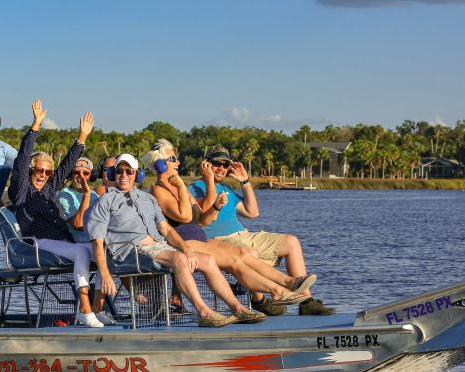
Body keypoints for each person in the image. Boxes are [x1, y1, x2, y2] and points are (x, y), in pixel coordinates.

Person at [86, 153, 266, 327]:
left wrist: (185, 248)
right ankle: (204, 312)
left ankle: (237, 308)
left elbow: (166, 229)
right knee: (179, 259)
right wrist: (105, 273)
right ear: (112, 173)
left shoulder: (148, 198)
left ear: (137, 175)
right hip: (129, 253)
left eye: (129, 171)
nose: (123, 175)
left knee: (207, 260)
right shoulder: (105, 201)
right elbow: (97, 241)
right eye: (119, 171)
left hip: (157, 247)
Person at [141, 139, 313, 316]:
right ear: (160, 164)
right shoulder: (159, 191)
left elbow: (202, 219)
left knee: (243, 254)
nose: (178, 162)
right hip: (181, 242)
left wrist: (215, 206)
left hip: (199, 238)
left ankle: (288, 282)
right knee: (235, 260)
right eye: (173, 159)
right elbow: (184, 216)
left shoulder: (180, 188)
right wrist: (182, 187)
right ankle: (276, 291)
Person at [190, 145, 334, 316]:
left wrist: (245, 181)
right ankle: (259, 299)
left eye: (225, 165)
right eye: (216, 164)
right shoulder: (194, 188)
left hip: (243, 234)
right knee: (249, 253)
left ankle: (306, 301)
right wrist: (209, 181)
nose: (221, 168)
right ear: (206, 164)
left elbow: (252, 212)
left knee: (291, 242)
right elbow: (205, 213)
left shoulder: (227, 189)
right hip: (220, 240)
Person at [8, 100, 110, 328]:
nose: (43, 174)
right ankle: (84, 311)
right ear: (32, 170)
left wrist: (82, 137)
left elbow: (66, 165)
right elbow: (22, 158)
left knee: (103, 253)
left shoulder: (50, 189)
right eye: (39, 170)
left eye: (47, 171)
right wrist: (35, 126)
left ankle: (97, 308)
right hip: (38, 242)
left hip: (61, 241)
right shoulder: (21, 191)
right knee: (81, 254)